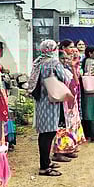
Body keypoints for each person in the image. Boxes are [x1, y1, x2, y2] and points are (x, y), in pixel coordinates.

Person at [27, 39, 68, 176]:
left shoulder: (38, 62)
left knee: (43, 134)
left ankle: (46, 162)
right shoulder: (53, 63)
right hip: (52, 101)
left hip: (41, 101)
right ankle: (44, 166)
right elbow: (64, 78)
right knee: (48, 134)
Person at [52, 50, 86, 161]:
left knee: (70, 126)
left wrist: (72, 67)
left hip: (70, 101)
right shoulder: (56, 70)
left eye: (67, 58)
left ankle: (68, 148)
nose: (65, 61)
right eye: (63, 59)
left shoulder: (66, 69)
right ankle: (58, 152)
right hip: (61, 102)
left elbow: (76, 83)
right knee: (62, 126)